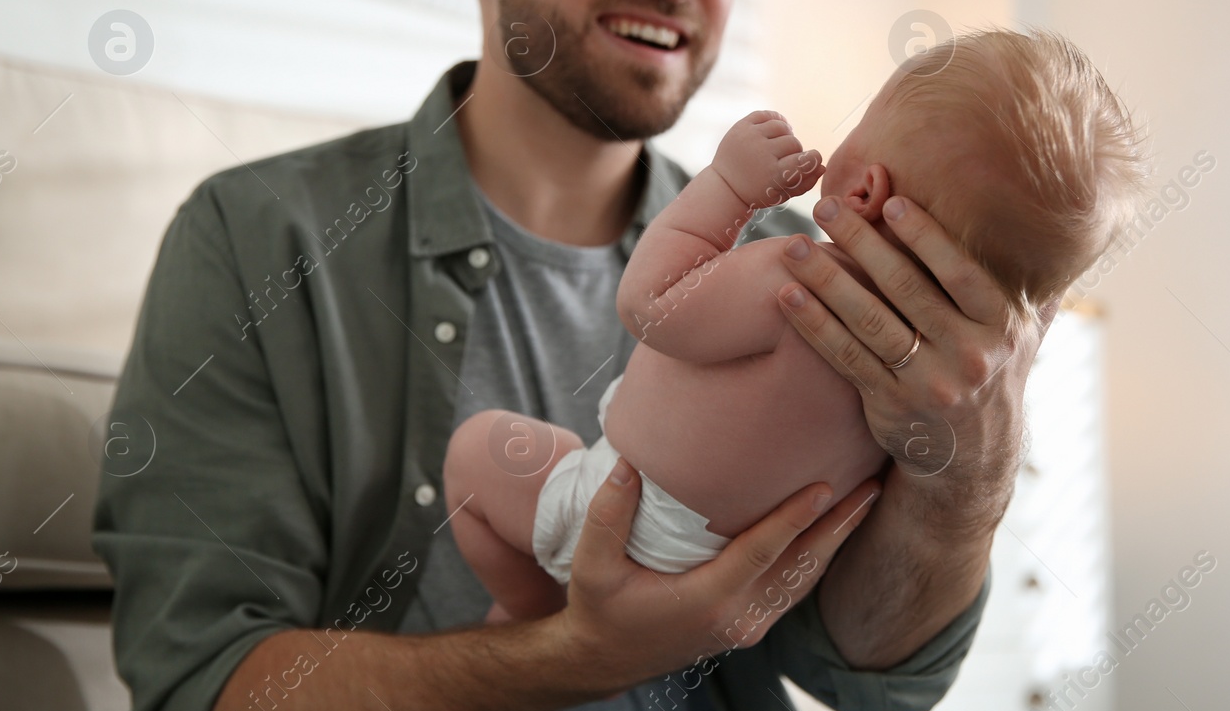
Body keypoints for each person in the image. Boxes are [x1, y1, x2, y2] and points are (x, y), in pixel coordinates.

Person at [93, 0, 1055, 711]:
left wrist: (965, 470)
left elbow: (872, 672)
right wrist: (577, 652)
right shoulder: (257, 238)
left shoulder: (792, 267)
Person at [444, 31, 1147, 627]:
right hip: (752, 580)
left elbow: (651, 303)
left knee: (479, 454)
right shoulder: (921, 384)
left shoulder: (795, 274)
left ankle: (533, 610)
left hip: (627, 516)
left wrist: (729, 185)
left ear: (865, 189)